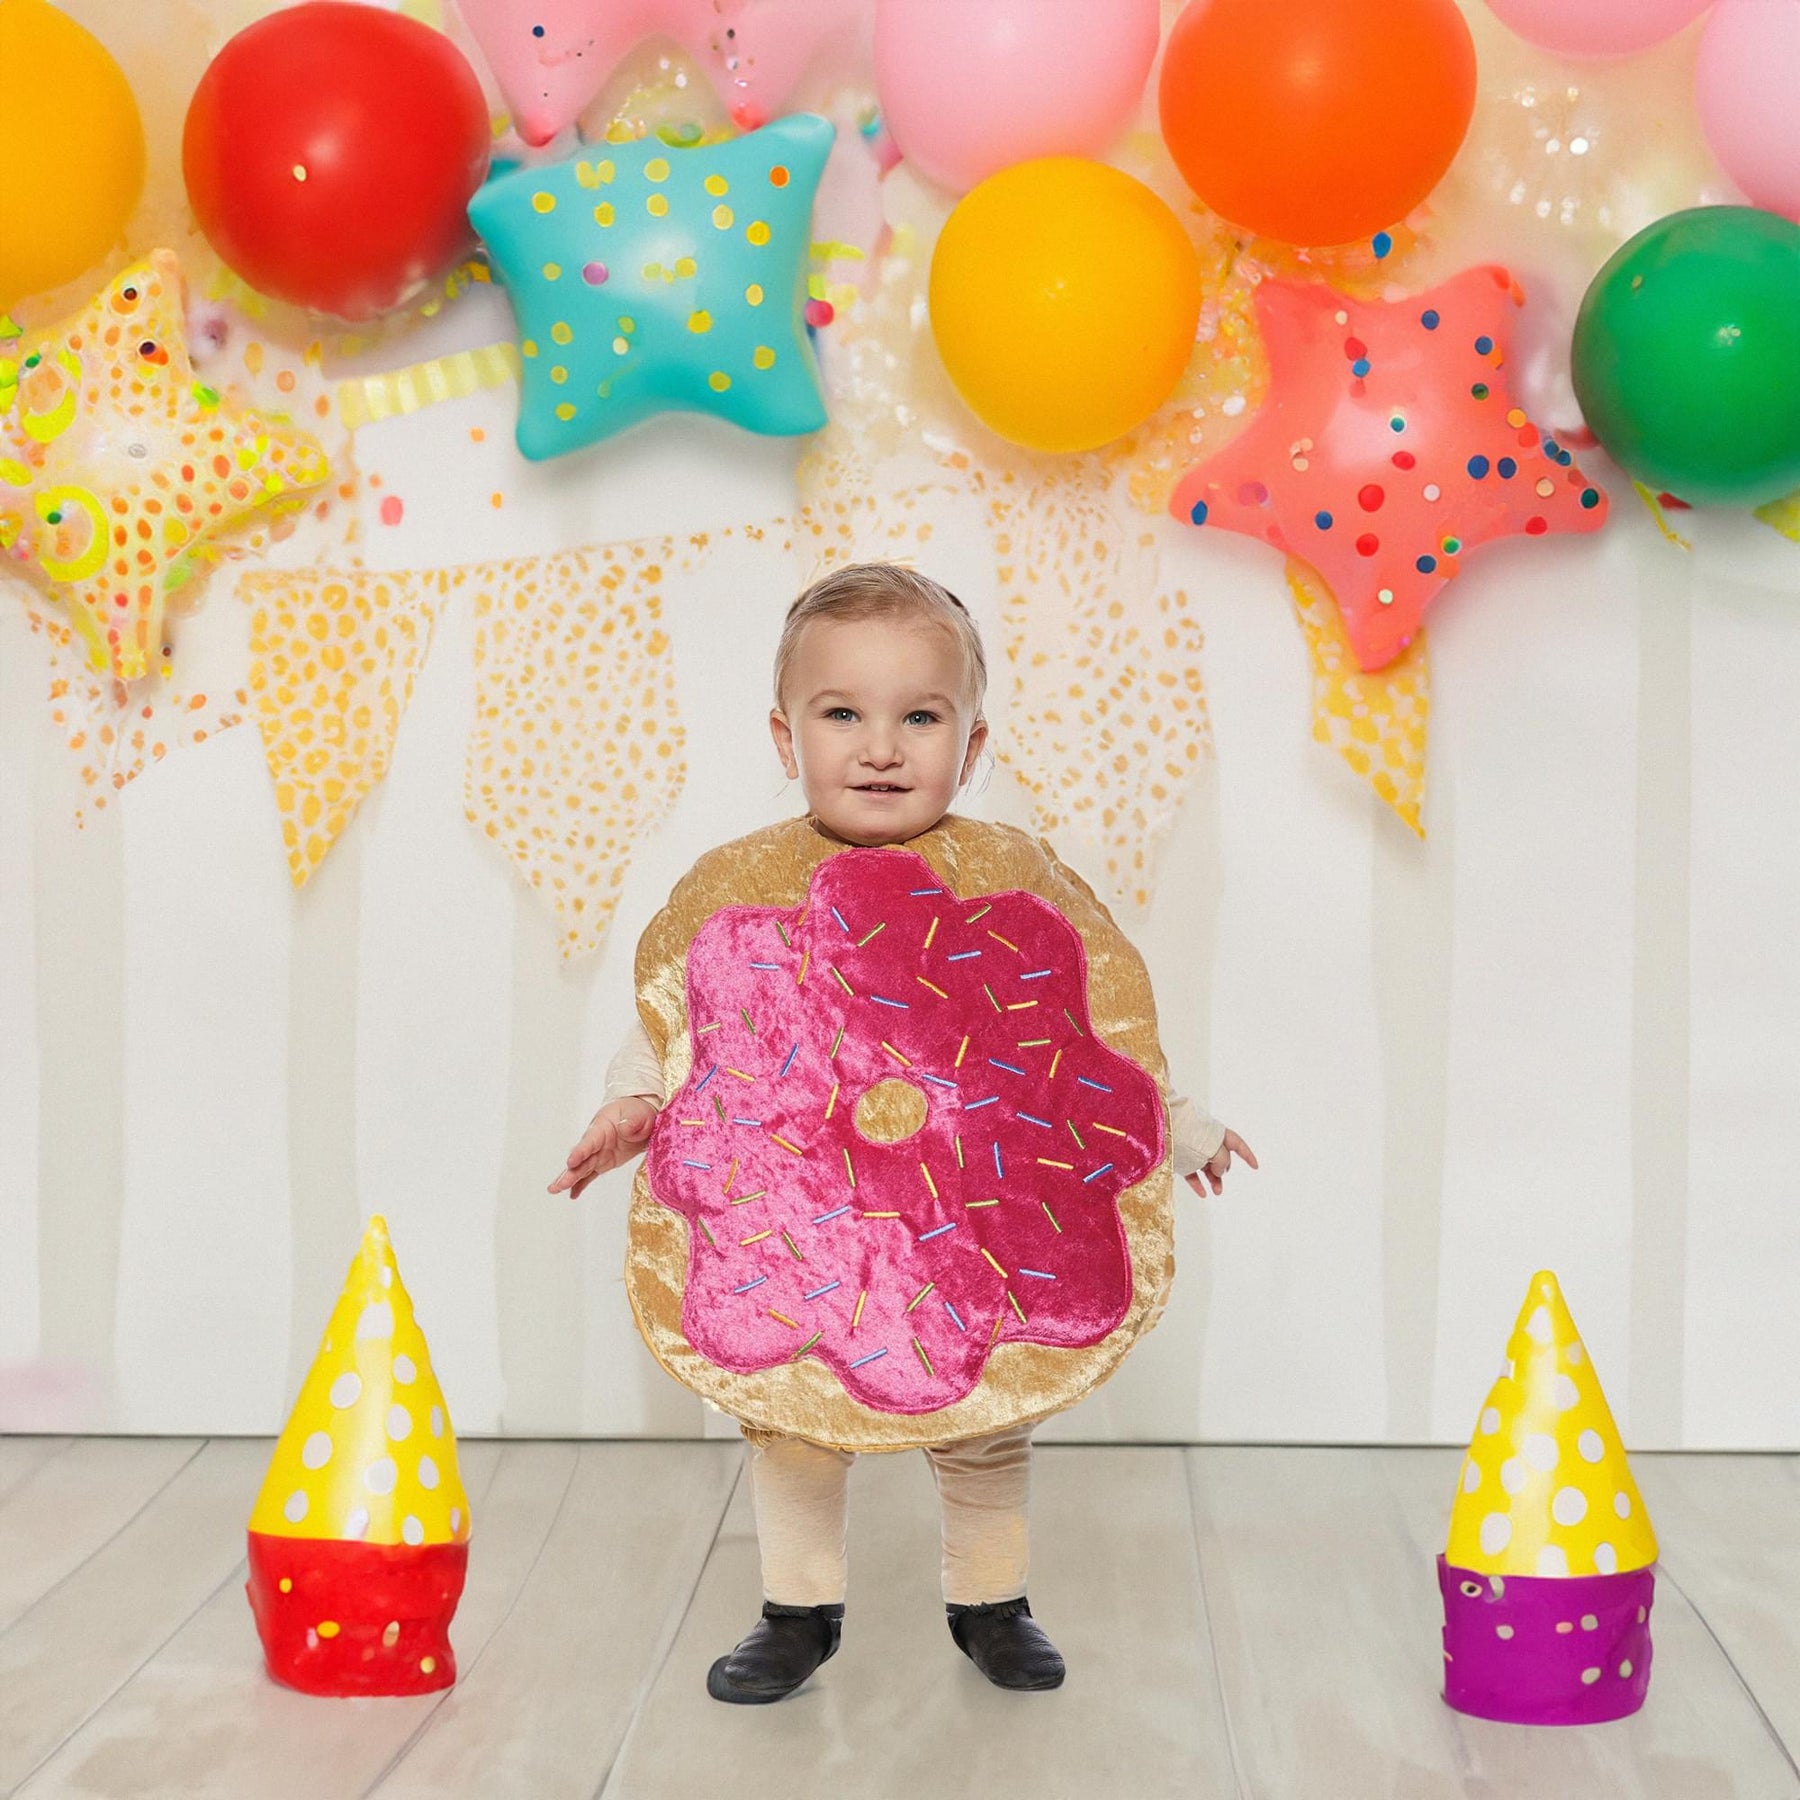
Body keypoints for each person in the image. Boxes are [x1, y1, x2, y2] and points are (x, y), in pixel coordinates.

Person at [550, 562, 1256, 1703]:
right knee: (788, 1419)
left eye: (919, 717)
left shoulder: (1014, 884)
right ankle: (798, 1611)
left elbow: (1086, 1037)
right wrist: (630, 1110)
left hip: (964, 1217)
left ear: (971, 747)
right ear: (786, 737)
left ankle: (992, 1602)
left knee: (983, 1421)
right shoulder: (744, 892)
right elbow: (688, 1032)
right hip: (808, 1224)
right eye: (844, 714)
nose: (880, 747)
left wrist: (1186, 1129)